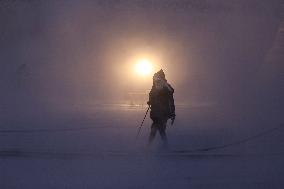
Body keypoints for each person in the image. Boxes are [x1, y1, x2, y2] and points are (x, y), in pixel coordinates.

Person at [147, 69, 175, 147]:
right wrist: (150, 102)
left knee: (158, 129)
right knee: (158, 129)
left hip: (162, 112)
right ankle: (162, 146)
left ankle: (157, 146)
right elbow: (152, 96)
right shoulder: (155, 87)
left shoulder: (164, 86)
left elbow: (170, 94)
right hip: (157, 112)